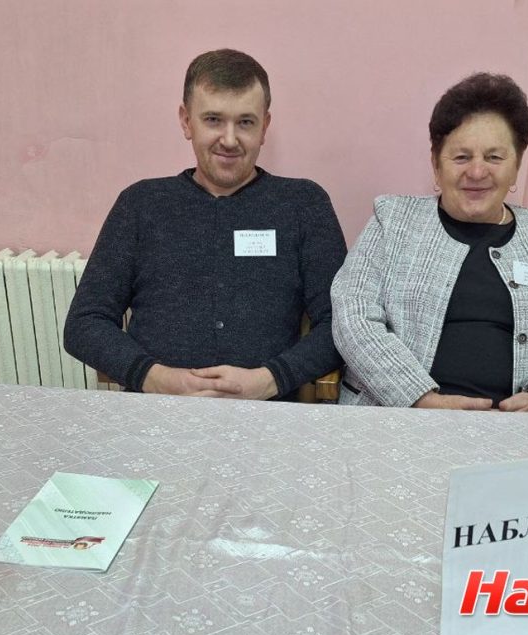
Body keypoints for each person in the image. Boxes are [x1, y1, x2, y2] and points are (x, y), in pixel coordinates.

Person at [64, 49, 346, 401]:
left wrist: (269, 380)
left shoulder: (303, 205)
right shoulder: (141, 204)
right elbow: (84, 323)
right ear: (186, 121)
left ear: (264, 127)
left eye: (245, 122)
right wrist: (156, 378)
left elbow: (342, 326)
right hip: (156, 410)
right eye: (213, 119)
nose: (229, 139)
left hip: (267, 414)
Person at [331, 73, 528, 413]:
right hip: (398, 418)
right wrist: (421, 399)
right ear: (436, 164)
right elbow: (353, 316)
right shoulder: (393, 219)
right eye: (461, 157)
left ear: (516, 166)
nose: (477, 172)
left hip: (515, 427)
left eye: (494, 158)